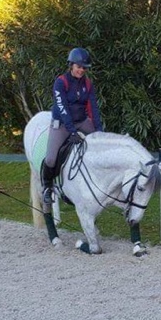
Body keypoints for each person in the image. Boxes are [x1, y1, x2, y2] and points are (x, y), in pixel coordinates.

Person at [42, 47, 103, 204]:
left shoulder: (88, 84)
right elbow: (62, 108)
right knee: (51, 159)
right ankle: (47, 187)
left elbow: (93, 108)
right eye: (78, 67)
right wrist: (72, 131)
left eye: (84, 68)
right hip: (62, 123)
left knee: (101, 144)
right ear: (71, 65)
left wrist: (99, 131)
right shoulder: (61, 82)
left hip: (81, 121)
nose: (81, 70)